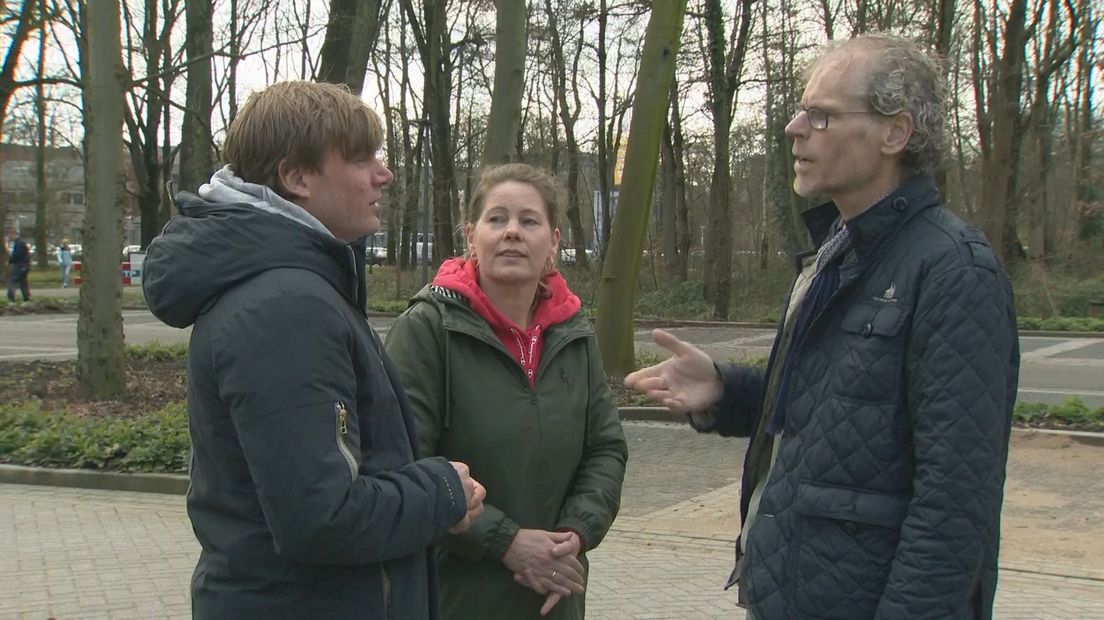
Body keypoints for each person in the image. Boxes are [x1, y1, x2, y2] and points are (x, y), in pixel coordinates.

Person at [626, 34, 1019, 619]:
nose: (793, 128)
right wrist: (727, 390)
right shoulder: (838, 250)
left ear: (894, 133)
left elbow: (955, 505)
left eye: (822, 115)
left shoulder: (955, 271)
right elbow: (837, 413)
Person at [141, 80, 486, 619]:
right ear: (296, 177)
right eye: (360, 158)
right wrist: (441, 491)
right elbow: (321, 517)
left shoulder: (296, 288)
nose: (384, 173)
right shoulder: (283, 308)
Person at [385, 163, 628, 620]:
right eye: (497, 219)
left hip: (556, 593)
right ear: (471, 234)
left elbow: (606, 449)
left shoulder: (574, 333)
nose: (512, 232)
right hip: (455, 597)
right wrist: (506, 542)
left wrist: (573, 535)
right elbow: (404, 463)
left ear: (554, 240)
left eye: (529, 221)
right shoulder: (427, 330)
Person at [6, 228, 30, 302]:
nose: (9, 238)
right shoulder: (21, 242)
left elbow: (16, 255)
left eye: (9, 236)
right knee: (23, 283)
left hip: (19, 266)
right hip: (25, 265)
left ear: (13, 234)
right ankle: (27, 299)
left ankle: (11, 299)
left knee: (13, 282)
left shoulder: (19, 243)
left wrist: (10, 261)